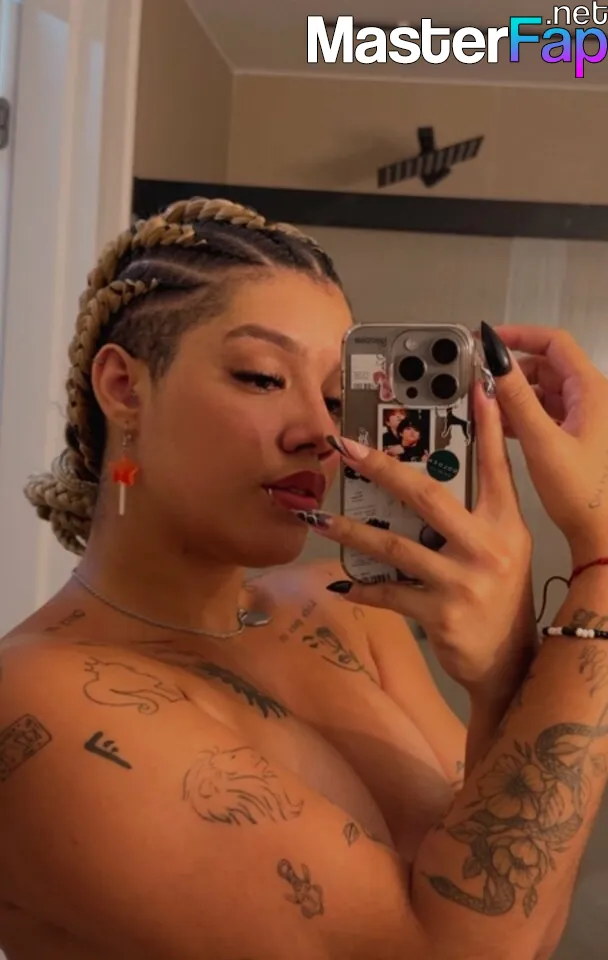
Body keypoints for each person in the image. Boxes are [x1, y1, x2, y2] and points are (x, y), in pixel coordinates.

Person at [0, 195, 604, 960]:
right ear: (124, 387)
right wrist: (600, 561)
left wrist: (502, 671)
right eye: (261, 377)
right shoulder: (36, 698)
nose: (320, 432)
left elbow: (517, 905)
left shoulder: (343, 608)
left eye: (335, 396)